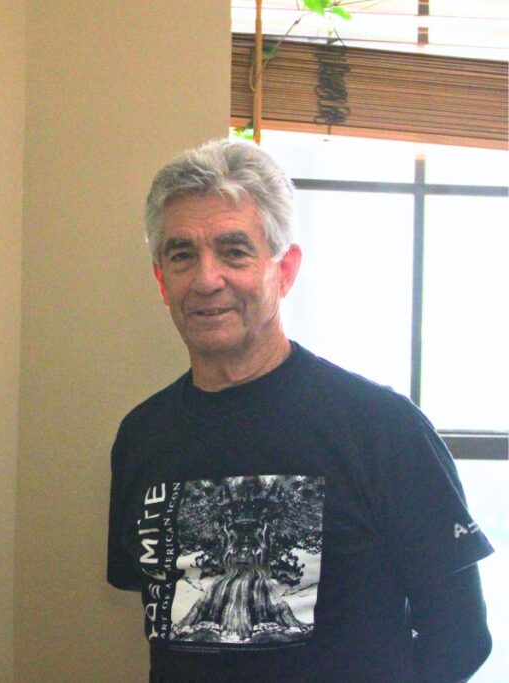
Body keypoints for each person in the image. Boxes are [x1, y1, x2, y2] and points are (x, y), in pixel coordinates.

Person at [106, 139, 493, 682]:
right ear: (161, 280)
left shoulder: (382, 428)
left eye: (234, 251)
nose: (206, 278)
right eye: (182, 254)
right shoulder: (143, 435)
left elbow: (459, 638)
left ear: (284, 269)